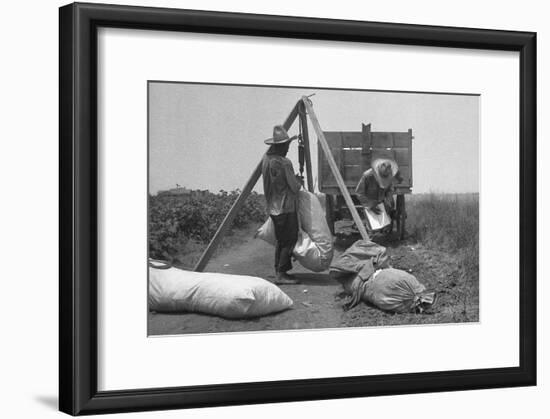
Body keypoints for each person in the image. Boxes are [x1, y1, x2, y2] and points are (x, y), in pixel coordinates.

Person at [262, 125, 302, 285]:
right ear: (281, 146)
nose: (287, 149)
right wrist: (299, 182)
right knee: (290, 239)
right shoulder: (284, 163)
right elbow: (294, 187)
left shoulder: (266, 161)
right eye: (286, 146)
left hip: (273, 206)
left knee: (281, 239)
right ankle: (282, 273)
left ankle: (279, 270)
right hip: (286, 207)